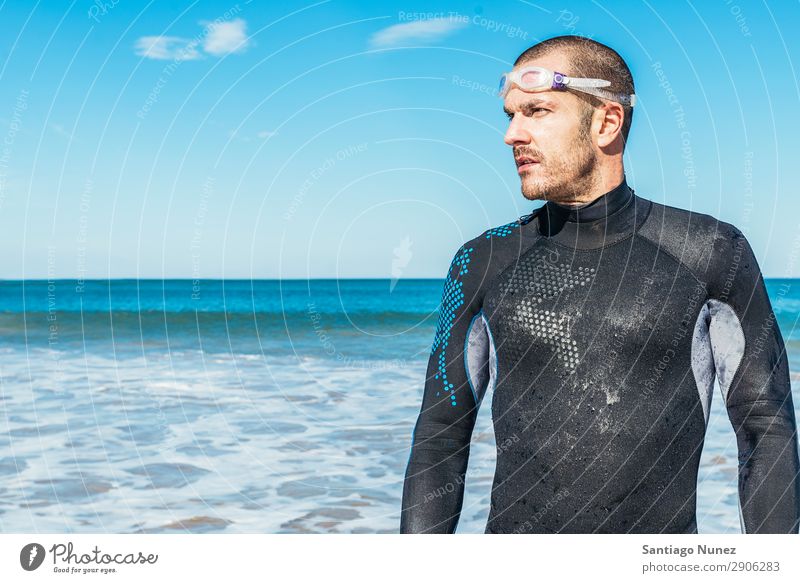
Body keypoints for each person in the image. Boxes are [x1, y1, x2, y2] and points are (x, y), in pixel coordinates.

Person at [399, 35, 800, 534]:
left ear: (606, 121)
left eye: (538, 111)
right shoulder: (482, 261)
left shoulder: (711, 251)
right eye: (510, 115)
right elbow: (440, 436)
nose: (512, 135)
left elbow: (766, 431)